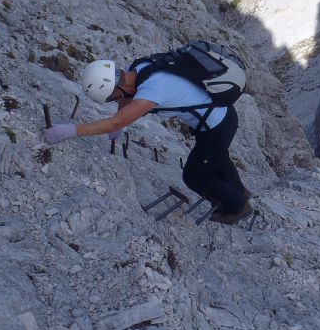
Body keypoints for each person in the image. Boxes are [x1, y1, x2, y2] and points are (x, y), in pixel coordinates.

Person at [43, 59, 253, 224]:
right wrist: (120, 121)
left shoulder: (153, 91)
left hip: (217, 127)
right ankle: (239, 190)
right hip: (217, 117)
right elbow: (126, 98)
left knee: (194, 175)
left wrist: (69, 131)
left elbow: (115, 121)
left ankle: (236, 207)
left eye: (111, 97)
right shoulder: (137, 68)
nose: (115, 100)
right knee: (218, 156)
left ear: (115, 86)